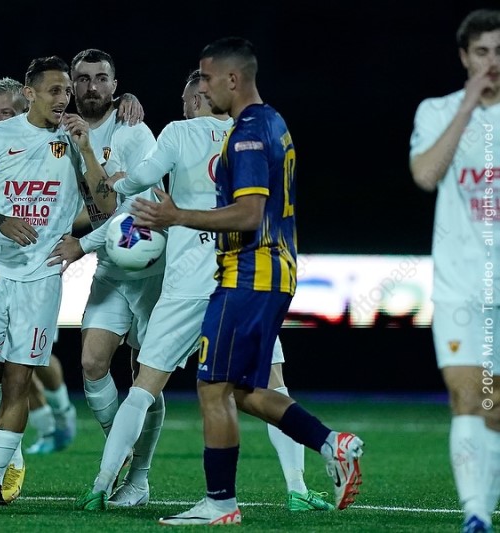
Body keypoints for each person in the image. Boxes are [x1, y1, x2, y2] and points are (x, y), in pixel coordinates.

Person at [128, 37, 364, 526]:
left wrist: (177, 215)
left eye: (208, 77)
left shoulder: (248, 133)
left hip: (250, 273)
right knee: (237, 387)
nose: (203, 87)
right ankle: (330, 443)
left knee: (212, 386)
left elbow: (249, 213)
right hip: (269, 272)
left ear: (232, 79)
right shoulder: (273, 121)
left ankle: (220, 503)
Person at [74, 69, 333, 512]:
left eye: (184, 99)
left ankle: (100, 486)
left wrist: (116, 179)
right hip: (241, 280)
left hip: (186, 284)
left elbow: (137, 183)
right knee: (274, 385)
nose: (182, 107)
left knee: (144, 387)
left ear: (197, 99)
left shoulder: (178, 133)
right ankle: (297, 489)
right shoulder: (255, 135)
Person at [0, 55, 91, 506]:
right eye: (55, 90)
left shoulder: (75, 141)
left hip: (42, 279)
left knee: (17, 379)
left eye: (67, 91)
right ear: (31, 94)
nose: (64, 98)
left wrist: (88, 153)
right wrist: (0, 221)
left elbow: (105, 207)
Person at [46, 50, 164, 479]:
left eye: (101, 78)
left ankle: (139, 477)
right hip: (111, 270)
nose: (92, 86)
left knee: (144, 375)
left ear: (115, 85)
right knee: (92, 364)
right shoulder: (59, 131)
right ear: (71, 85)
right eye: (83, 78)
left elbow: (131, 212)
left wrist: (80, 243)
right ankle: (120, 451)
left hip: (151, 270)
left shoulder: (134, 131)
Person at [409, 9, 500, 533]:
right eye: (482, 52)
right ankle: (476, 514)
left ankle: (483, 505)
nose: (491, 62)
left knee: (494, 405)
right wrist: (468, 105)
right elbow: (426, 173)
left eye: (499, 52)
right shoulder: (438, 110)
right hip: (460, 284)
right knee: (467, 395)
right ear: (465, 57)